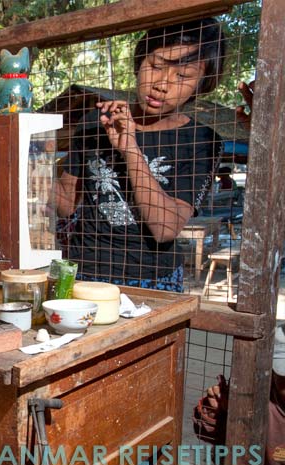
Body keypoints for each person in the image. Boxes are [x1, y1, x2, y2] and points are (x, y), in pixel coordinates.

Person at [56, 18, 226, 292]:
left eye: (182, 76)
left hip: (153, 279)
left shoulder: (201, 140)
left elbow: (165, 229)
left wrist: (130, 149)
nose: (162, 84)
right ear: (139, 63)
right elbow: (66, 204)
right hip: (85, 271)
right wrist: (28, 158)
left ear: (202, 84)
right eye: (156, 66)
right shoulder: (94, 123)